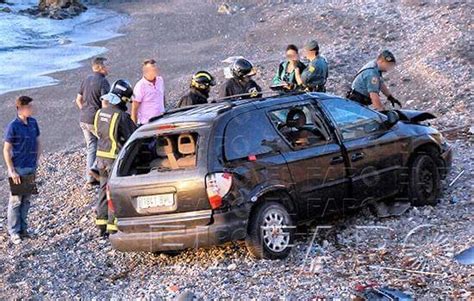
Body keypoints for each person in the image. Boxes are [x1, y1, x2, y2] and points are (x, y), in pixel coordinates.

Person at [94, 80, 137, 237]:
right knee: (113, 193)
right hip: (114, 159)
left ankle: (101, 223)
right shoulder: (122, 117)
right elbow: (131, 137)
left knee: (103, 190)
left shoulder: (100, 113)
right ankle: (113, 226)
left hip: (100, 159)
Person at [3, 96, 41, 244]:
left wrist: (36, 161)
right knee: (15, 201)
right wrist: (11, 170)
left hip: (31, 167)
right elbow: (6, 150)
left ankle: (24, 230)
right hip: (18, 168)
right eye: (30, 107)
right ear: (21, 108)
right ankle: (14, 231)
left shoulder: (33, 122)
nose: (32, 109)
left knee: (26, 200)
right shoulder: (13, 126)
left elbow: (38, 141)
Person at [75, 57, 110, 186]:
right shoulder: (103, 82)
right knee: (106, 143)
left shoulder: (86, 80)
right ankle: (94, 169)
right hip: (94, 119)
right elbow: (105, 102)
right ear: (101, 67)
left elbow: (78, 100)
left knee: (91, 146)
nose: (108, 68)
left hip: (83, 118)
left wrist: (84, 110)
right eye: (107, 66)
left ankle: (89, 177)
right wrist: (106, 118)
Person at [132, 59, 165, 126]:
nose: (156, 69)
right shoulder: (140, 86)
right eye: (153, 68)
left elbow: (162, 96)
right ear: (146, 71)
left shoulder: (160, 80)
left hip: (161, 121)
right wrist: (134, 127)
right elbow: (134, 108)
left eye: (156, 67)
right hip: (147, 124)